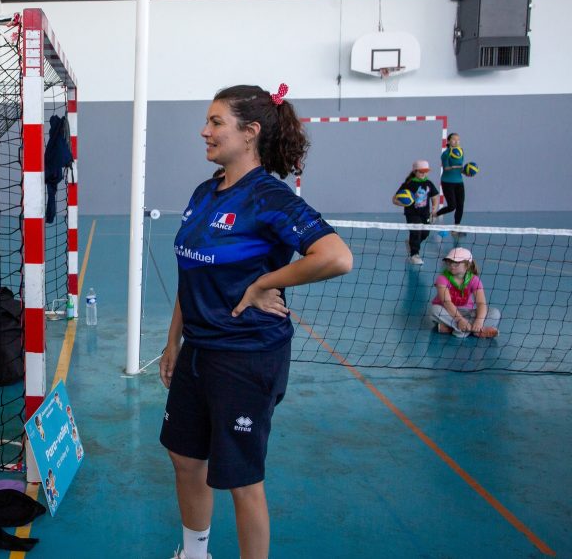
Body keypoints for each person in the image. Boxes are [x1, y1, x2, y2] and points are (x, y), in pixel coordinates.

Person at [159, 84, 352, 559]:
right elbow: (192, 269)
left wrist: (267, 281)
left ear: (250, 132)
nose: (204, 131)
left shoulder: (270, 197)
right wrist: (173, 342)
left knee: (242, 479)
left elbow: (335, 256)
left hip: (246, 356)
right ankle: (195, 552)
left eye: (216, 122)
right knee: (185, 458)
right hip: (199, 350)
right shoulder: (205, 192)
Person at [431, 246, 500, 338]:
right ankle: (476, 330)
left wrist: (479, 320)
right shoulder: (442, 279)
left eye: (456, 264)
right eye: (449, 262)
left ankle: (455, 329)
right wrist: (460, 320)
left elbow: (481, 303)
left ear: (467, 265)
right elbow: (447, 302)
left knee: (495, 313)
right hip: (448, 312)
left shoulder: (474, 280)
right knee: (434, 309)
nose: (451, 266)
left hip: (468, 312)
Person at [393, 159, 440, 265]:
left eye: (426, 171)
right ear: (415, 171)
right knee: (416, 232)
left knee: (425, 233)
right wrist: (404, 203)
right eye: (421, 171)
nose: (423, 174)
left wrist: (434, 209)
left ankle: (411, 243)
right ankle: (414, 254)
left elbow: (435, 197)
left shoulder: (429, 183)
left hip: (425, 214)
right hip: (412, 214)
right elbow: (394, 199)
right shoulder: (408, 184)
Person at [437, 133, 466, 225]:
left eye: (458, 140)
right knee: (452, 206)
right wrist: (455, 167)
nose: (456, 141)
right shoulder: (446, 154)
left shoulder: (461, 151)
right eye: (454, 139)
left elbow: (461, 168)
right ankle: (435, 214)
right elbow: (446, 168)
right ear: (448, 141)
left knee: (460, 205)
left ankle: (456, 227)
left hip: (459, 182)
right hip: (447, 182)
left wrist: (466, 172)